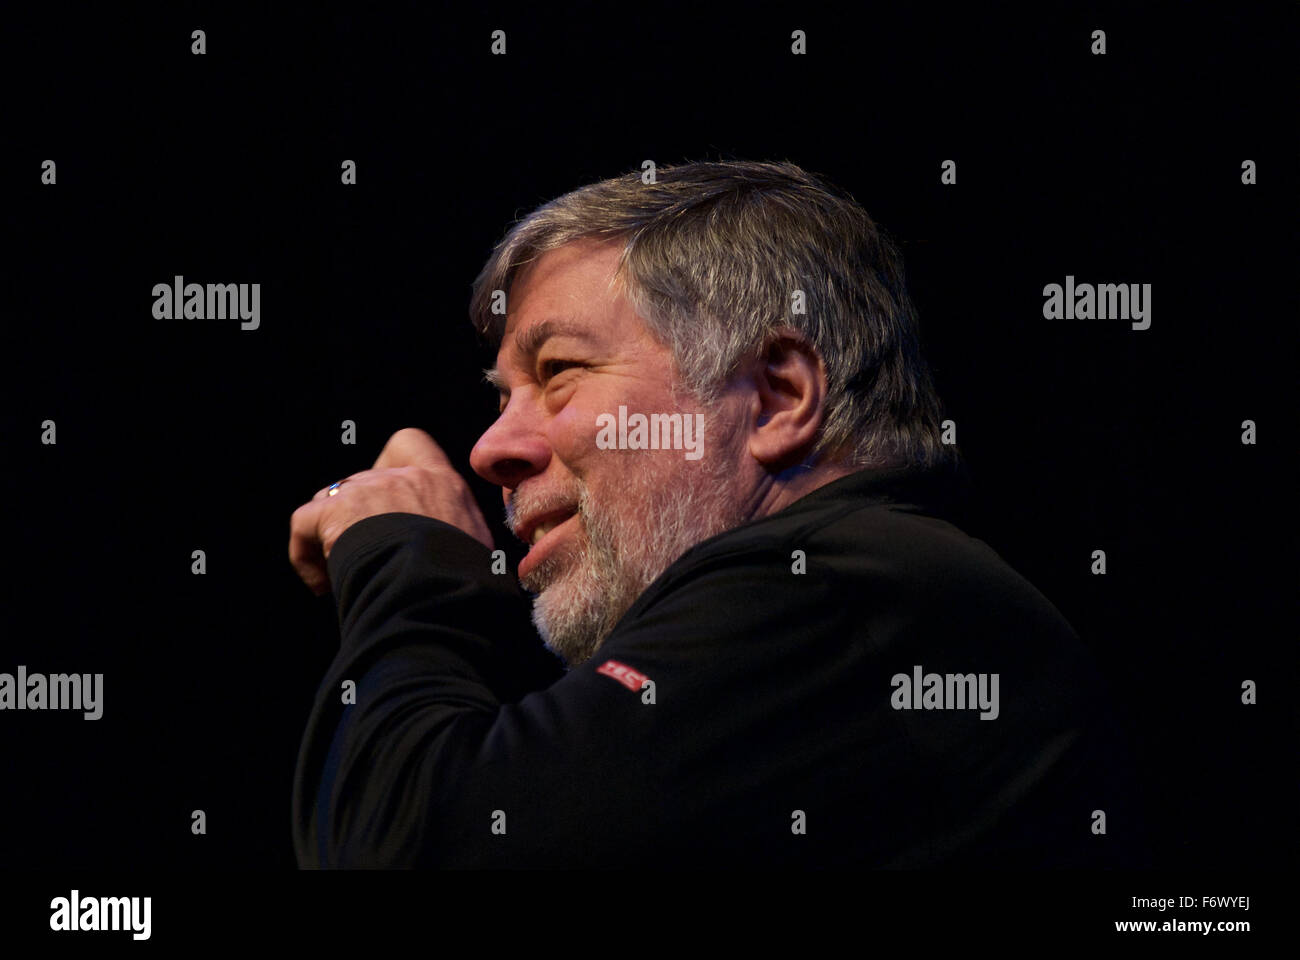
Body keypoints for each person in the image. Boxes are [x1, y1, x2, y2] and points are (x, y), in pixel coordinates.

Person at [288, 160, 1145, 868]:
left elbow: (405, 848)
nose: (489, 449)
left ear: (778, 397)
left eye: (558, 372)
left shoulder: (848, 589)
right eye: (502, 396)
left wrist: (405, 556)